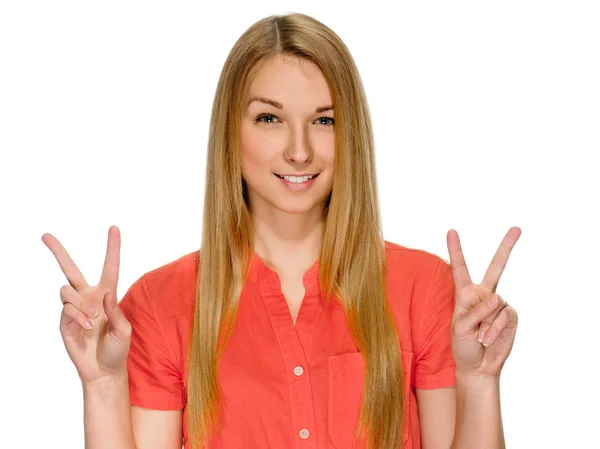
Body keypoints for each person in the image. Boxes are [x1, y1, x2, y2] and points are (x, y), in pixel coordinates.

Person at [42, 12, 521, 449]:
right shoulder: (160, 306)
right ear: (231, 130)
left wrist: (479, 382)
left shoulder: (423, 288)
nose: (299, 151)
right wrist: (102, 386)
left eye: (324, 120)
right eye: (269, 118)